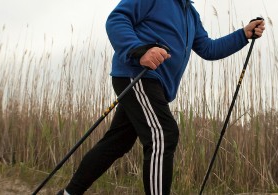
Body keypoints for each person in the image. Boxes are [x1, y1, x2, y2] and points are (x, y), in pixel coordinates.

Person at [58, 0, 265, 194]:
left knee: (117, 142)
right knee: (163, 135)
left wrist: (243, 34)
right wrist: (138, 50)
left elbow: (208, 49)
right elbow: (117, 19)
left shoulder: (190, 14)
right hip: (137, 75)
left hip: (154, 85)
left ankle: (68, 193)